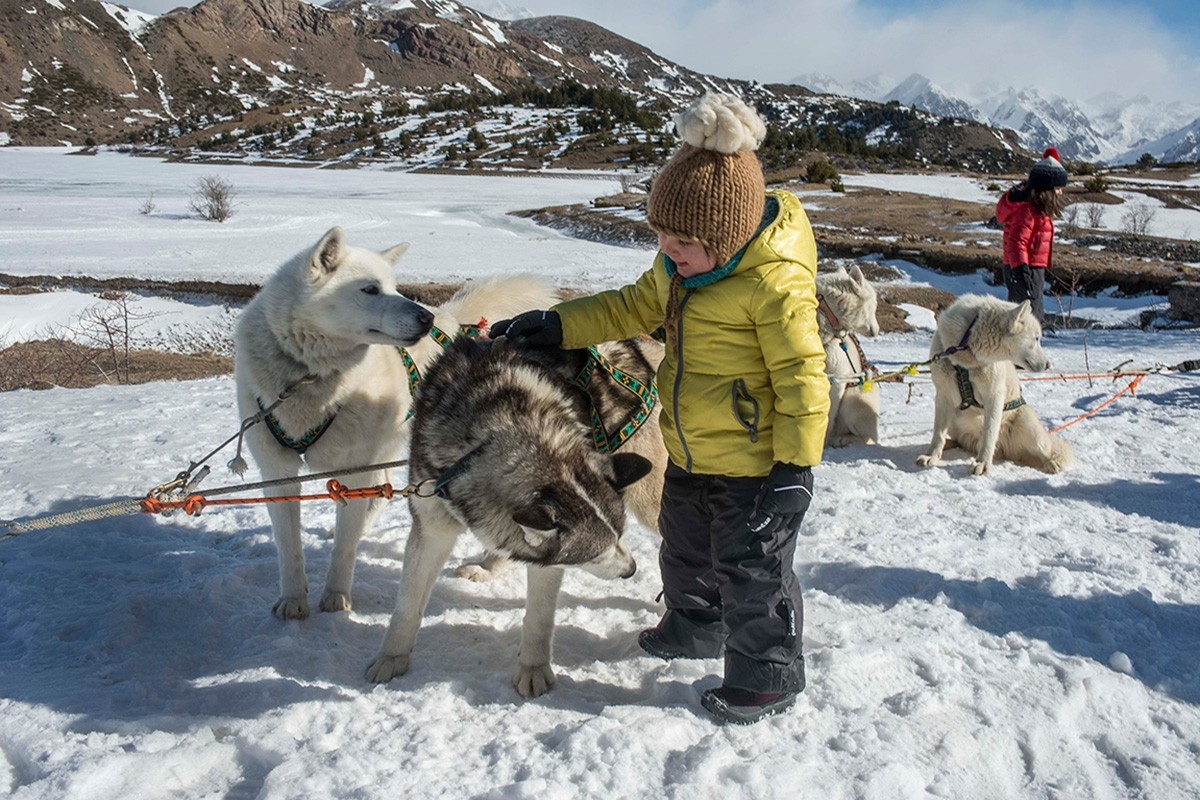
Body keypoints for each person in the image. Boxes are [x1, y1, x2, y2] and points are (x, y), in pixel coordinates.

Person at [490, 93, 830, 724]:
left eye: (682, 241)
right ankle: (695, 627)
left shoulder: (773, 284)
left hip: (758, 463)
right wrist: (557, 324)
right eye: (660, 236)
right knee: (684, 548)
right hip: (690, 446)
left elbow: (804, 379)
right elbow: (626, 307)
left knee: (752, 569)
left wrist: (795, 470)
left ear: (725, 238)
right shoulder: (679, 268)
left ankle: (767, 677)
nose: (667, 249)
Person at [996, 147, 1070, 325]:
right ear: (1047, 190)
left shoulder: (1038, 210)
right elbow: (1016, 241)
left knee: (1033, 308)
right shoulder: (1028, 211)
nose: (1060, 192)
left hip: (1031, 266)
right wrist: (1021, 271)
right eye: (1058, 188)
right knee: (1026, 313)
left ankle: (1035, 338)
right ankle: (1023, 348)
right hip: (1023, 267)